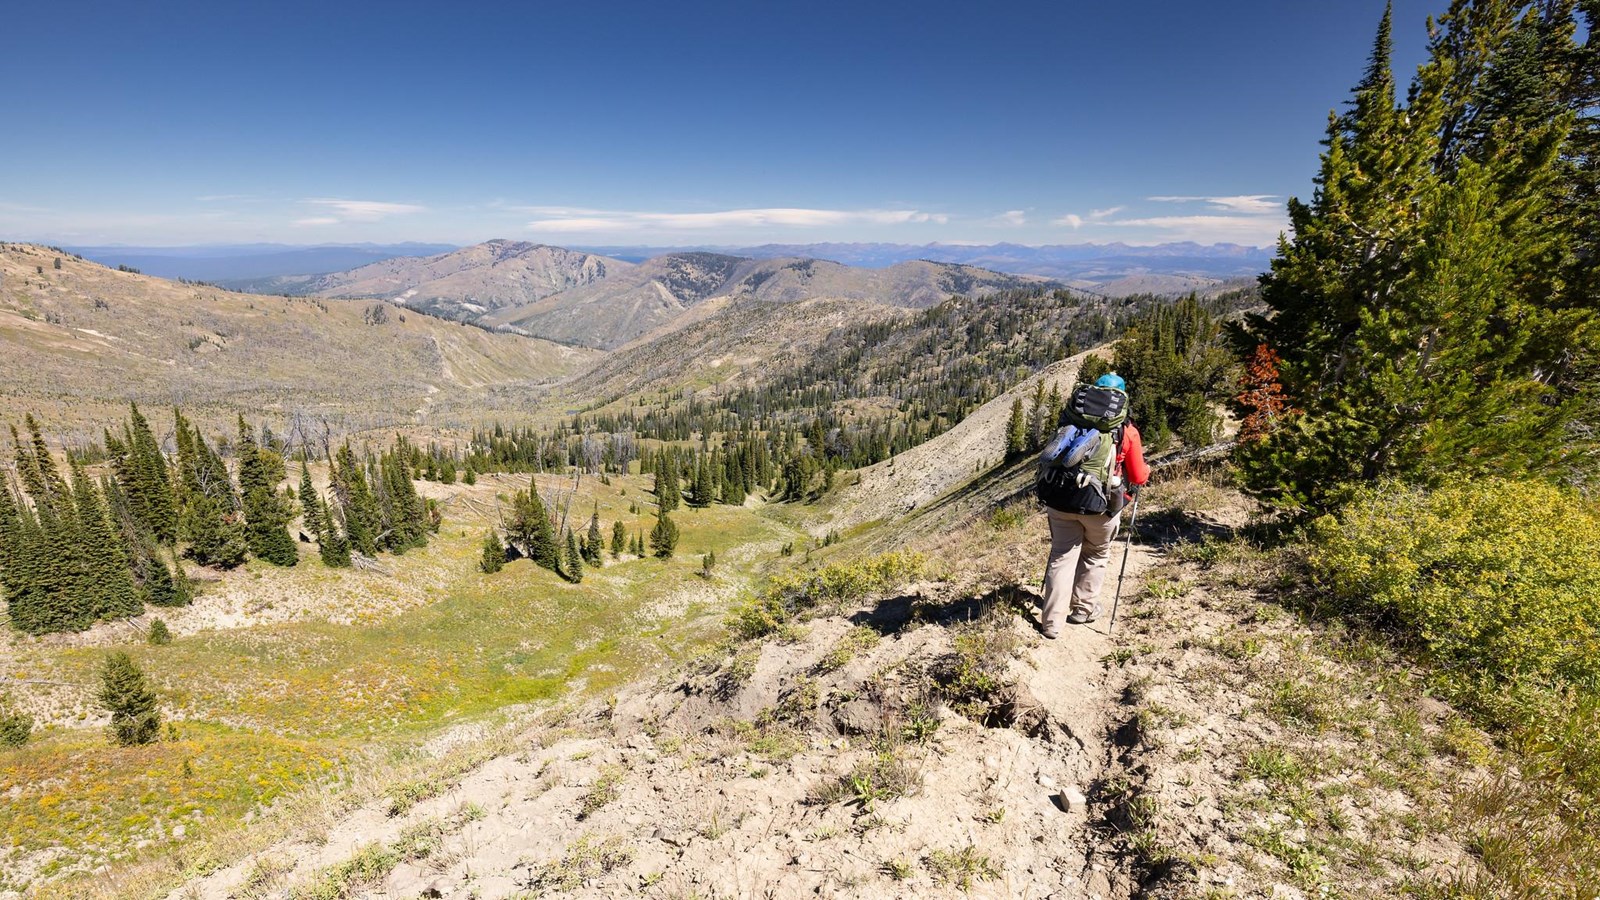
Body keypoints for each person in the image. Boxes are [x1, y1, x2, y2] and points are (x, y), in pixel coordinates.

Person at [1040, 372, 1149, 636]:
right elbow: (1137, 476)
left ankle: (1051, 623)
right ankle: (1083, 609)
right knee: (1096, 554)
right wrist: (1146, 472)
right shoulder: (1127, 430)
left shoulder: (1071, 419)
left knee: (1062, 556)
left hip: (1061, 499)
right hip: (1101, 505)